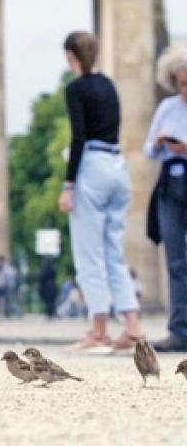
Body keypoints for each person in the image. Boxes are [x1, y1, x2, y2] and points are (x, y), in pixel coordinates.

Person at [57, 31, 144, 351]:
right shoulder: (109, 85)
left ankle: (98, 330)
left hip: (92, 166)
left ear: (70, 56)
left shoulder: (75, 89)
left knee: (88, 253)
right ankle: (132, 326)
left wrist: (69, 185)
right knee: (113, 253)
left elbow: (79, 136)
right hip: (117, 166)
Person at [143, 42, 187, 352]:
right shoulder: (167, 108)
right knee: (175, 260)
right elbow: (147, 149)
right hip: (170, 184)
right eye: (180, 83)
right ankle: (178, 330)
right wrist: (160, 144)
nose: (185, 89)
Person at [0, 256, 16, 320]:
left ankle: (7, 314)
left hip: (5, 286)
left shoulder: (7, 268)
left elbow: (11, 275)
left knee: (7, 301)